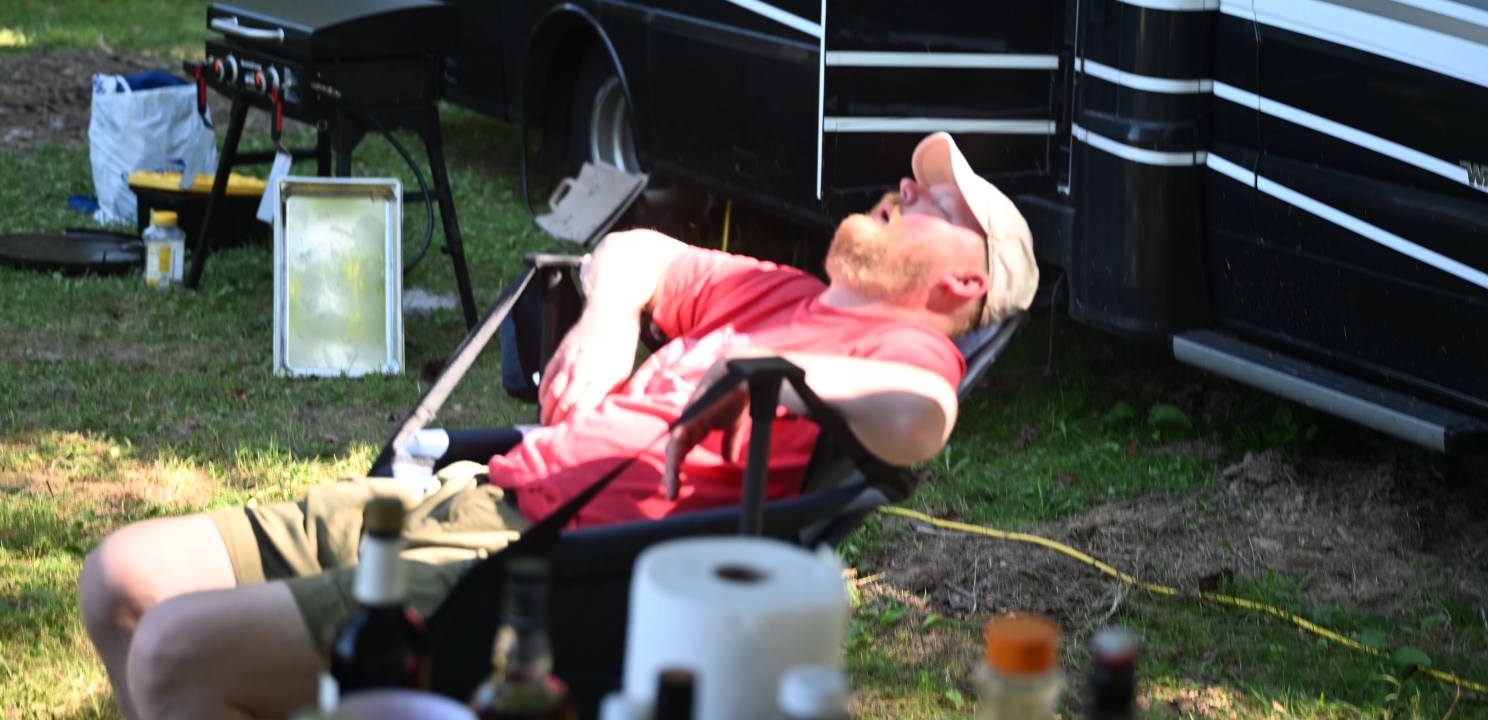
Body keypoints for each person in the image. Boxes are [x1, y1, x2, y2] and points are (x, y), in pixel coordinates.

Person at [78, 132, 1038, 719]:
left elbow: (922, 422)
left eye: (933, 201)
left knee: (174, 652)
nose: (904, 189)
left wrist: (771, 373)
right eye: (915, 180)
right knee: (122, 581)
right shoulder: (791, 291)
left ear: (962, 281)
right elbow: (632, 248)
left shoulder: (907, 359)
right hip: (479, 496)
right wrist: (613, 315)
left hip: (550, 570)